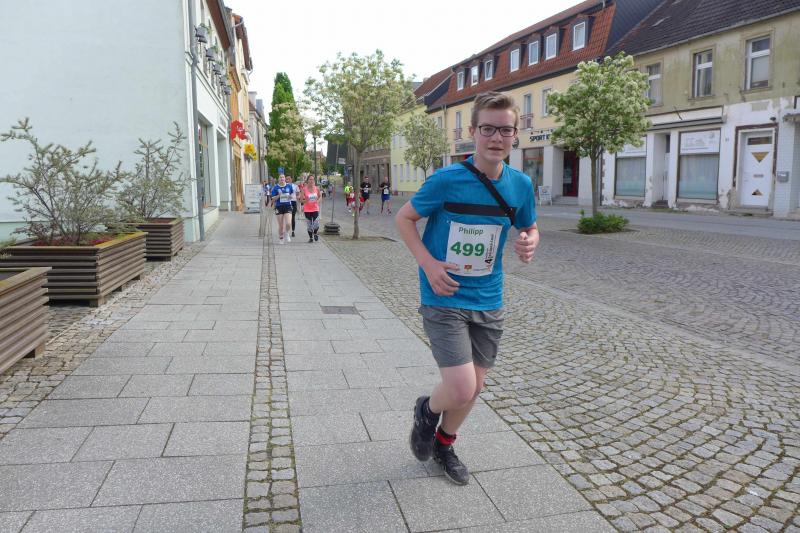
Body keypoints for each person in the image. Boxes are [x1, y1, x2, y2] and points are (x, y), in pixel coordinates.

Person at [396, 92, 539, 485]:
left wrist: (530, 241)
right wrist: (428, 264)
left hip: (489, 298)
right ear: (473, 132)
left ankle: (444, 444)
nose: (497, 138)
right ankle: (426, 410)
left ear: (515, 134)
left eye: (505, 130)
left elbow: (529, 226)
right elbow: (404, 219)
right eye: (488, 129)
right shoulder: (446, 180)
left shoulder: (521, 185)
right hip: (444, 294)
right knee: (461, 387)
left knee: (475, 387)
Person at [271, 174, 294, 244]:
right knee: (281, 225)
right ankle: (281, 238)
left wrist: (290, 196)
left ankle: (287, 233)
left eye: (283, 177)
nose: (282, 178)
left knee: (288, 223)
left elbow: (292, 194)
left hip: (287, 206)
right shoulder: (275, 187)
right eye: (280, 177)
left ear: (285, 179)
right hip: (279, 207)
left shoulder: (289, 186)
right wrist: (279, 195)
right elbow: (273, 199)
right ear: (278, 179)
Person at [301, 175, 322, 242]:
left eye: (313, 179)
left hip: (315, 208)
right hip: (307, 209)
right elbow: (301, 200)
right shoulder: (304, 189)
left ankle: (315, 233)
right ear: (307, 181)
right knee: (309, 225)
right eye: (310, 179)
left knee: (316, 224)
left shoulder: (317, 188)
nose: (311, 181)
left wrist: (318, 201)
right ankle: (311, 238)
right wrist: (306, 201)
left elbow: (320, 196)